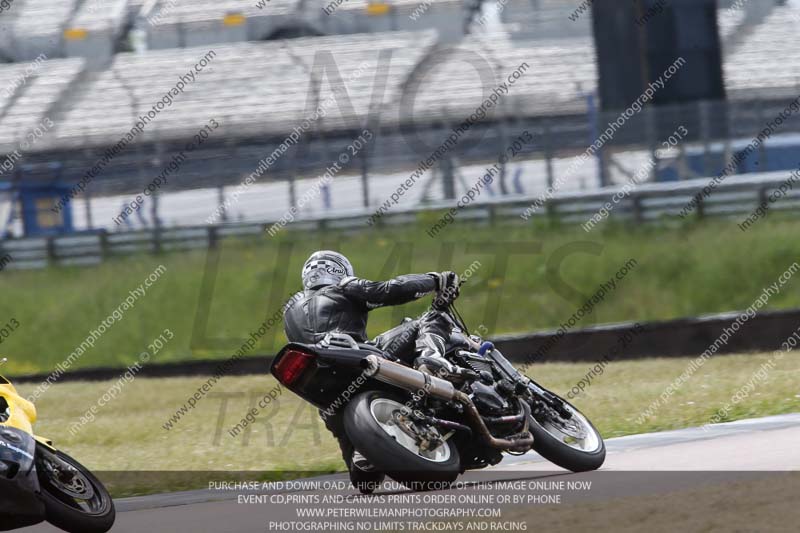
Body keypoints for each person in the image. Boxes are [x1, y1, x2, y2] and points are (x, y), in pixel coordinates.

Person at [283, 250, 460, 486]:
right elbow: (390, 290)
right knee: (431, 319)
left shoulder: (289, 310)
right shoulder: (342, 287)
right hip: (358, 360)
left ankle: (363, 456)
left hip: (325, 390)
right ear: (338, 270)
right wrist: (436, 280)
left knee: (364, 481)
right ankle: (430, 358)